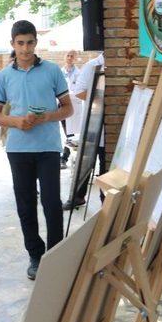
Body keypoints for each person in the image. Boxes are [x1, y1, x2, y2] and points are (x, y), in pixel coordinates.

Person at [0, 20, 73, 280]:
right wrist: (16, 121)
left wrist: (47, 117)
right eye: (20, 43)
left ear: (36, 42)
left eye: (29, 43)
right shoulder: (3, 76)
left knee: (51, 203)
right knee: (25, 204)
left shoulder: (52, 71)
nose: (25, 49)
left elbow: (68, 108)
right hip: (18, 149)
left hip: (48, 147)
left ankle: (56, 253)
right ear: (13, 44)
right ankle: (35, 255)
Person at [62, 53, 106, 210]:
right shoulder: (91, 66)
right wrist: (102, 97)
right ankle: (78, 197)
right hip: (93, 123)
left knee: (106, 165)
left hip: (110, 126)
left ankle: (106, 201)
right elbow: (79, 91)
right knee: (86, 162)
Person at [59, 50, 83, 170]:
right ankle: (65, 157)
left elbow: (79, 89)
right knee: (68, 132)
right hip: (60, 104)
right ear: (64, 57)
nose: (69, 58)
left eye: (72, 56)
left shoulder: (79, 73)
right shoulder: (60, 72)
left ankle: (64, 158)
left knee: (70, 132)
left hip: (73, 104)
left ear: (75, 58)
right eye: (68, 55)